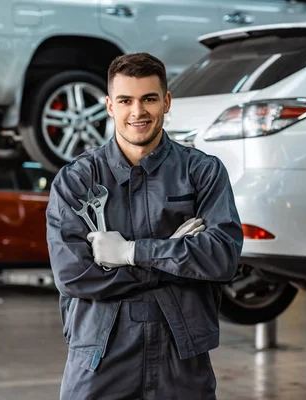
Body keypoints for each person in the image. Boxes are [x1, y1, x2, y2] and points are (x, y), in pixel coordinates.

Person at [46, 53, 244, 399]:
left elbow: (222, 257)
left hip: (181, 357)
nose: (138, 112)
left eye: (149, 99)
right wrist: (176, 258)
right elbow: (73, 275)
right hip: (100, 355)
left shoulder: (202, 173)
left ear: (166, 101)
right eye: (126, 100)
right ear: (110, 105)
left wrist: (132, 252)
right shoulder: (77, 181)